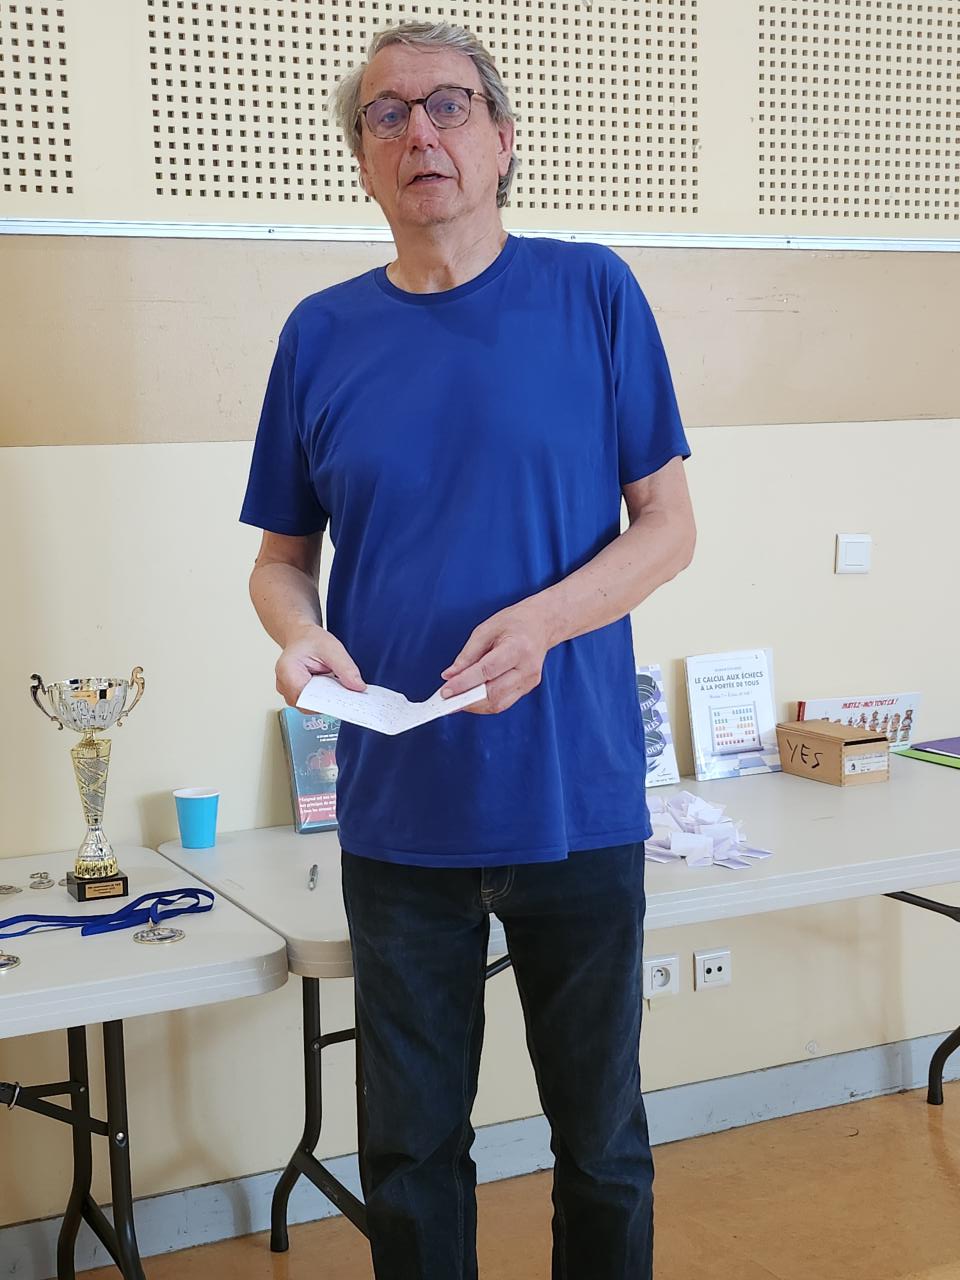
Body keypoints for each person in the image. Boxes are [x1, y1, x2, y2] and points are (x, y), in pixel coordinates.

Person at [240, 20, 696, 1280]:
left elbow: (669, 527)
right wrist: (299, 634)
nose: (420, 133)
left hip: (575, 798)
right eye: (386, 114)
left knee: (602, 1144)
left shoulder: (591, 291)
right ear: (363, 157)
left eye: (448, 105)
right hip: (402, 814)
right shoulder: (319, 334)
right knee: (410, 1156)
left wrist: (546, 620)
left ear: (502, 138)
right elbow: (281, 560)